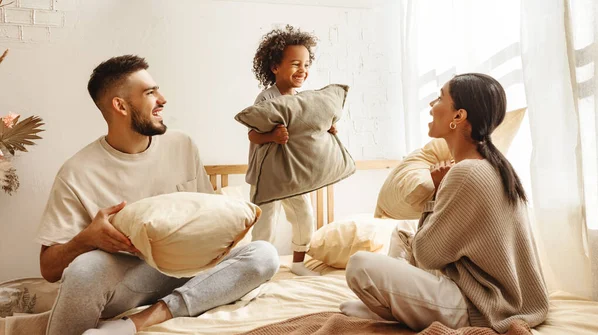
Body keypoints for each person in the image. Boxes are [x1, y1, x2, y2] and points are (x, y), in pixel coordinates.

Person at [37, 55, 279, 335]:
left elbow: (211, 214)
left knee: (265, 254)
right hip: (132, 278)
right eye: (150, 92)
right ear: (120, 105)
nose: (162, 99)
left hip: (193, 269)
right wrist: (86, 238)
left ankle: (138, 323)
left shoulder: (182, 145)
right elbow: (48, 269)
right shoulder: (77, 172)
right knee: (84, 270)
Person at [340, 73, 549, 332]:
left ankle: (393, 309)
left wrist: (436, 192)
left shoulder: (466, 172)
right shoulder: (492, 165)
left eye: (440, 98)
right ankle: (394, 306)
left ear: (458, 117)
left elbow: (428, 255)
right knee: (403, 232)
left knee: (360, 265)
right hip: (494, 296)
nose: (431, 105)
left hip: (480, 305)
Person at [247, 25, 334, 276]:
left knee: (304, 216)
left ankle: (298, 262)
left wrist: (326, 129)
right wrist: (271, 136)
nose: (303, 71)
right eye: (296, 64)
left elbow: (306, 131)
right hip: (267, 175)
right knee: (265, 223)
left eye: (306, 65)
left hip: (291, 173)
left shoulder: (303, 100)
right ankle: (256, 268)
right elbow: (253, 134)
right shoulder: (266, 99)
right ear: (275, 67)